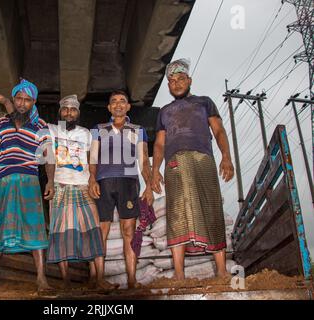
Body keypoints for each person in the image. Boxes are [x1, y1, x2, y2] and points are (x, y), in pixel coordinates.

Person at [151, 58, 235, 280]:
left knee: (211, 208)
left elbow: (218, 131)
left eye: (180, 79)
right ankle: (179, 275)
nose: (176, 84)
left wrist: (226, 157)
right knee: (177, 213)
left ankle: (222, 271)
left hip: (202, 160)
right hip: (175, 164)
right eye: (172, 81)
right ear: (168, 86)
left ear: (189, 80)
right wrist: (154, 170)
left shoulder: (204, 102)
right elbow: (159, 144)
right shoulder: (164, 112)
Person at [0, 79, 55, 292]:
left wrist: (51, 180)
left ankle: (41, 280)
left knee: (34, 227)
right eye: (19, 98)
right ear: (15, 99)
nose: (22, 103)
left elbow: (48, 156)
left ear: (33, 102)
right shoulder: (1, 124)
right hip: (4, 181)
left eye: (27, 100)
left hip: (29, 180)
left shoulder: (40, 126)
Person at [46, 95, 116, 290]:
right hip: (60, 185)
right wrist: (50, 181)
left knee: (92, 231)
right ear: (59, 111)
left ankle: (98, 278)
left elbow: (90, 160)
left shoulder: (85, 133)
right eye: (65, 109)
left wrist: (93, 180)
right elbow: (49, 158)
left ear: (78, 113)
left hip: (83, 185)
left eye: (73, 109)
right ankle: (66, 281)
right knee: (59, 232)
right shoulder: (50, 130)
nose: (69, 112)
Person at [89, 90, 154, 289]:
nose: (118, 104)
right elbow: (92, 157)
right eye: (114, 102)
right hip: (104, 182)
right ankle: (99, 279)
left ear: (128, 107)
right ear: (109, 108)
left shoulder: (138, 129)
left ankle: (132, 281)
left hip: (129, 183)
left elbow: (144, 160)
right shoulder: (98, 129)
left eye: (122, 101)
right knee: (102, 230)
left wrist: (149, 186)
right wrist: (92, 178)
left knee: (129, 232)